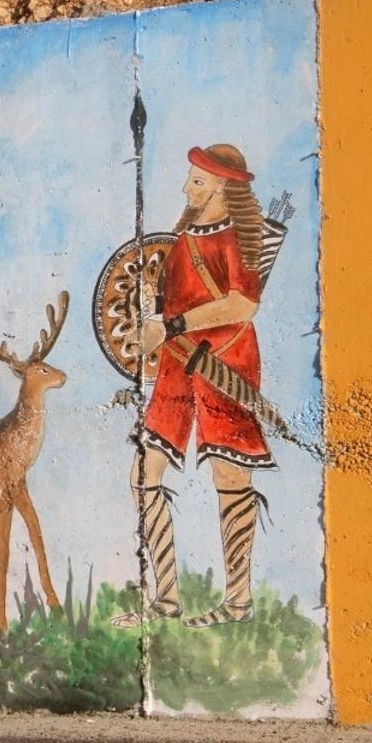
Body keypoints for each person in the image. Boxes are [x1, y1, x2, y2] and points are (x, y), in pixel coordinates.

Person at [113, 143, 274, 630]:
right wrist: (150, 331)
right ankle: (164, 597)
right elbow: (161, 309)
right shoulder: (184, 241)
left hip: (224, 364)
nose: (187, 188)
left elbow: (241, 307)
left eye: (198, 182)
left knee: (230, 476)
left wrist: (173, 324)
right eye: (191, 180)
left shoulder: (239, 241)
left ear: (225, 189)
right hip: (175, 369)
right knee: (144, 472)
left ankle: (238, 600)